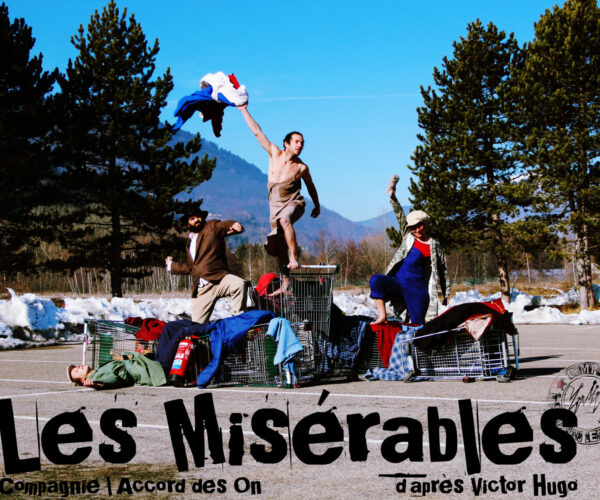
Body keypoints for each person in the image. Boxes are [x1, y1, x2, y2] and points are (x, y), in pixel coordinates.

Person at [237, 103, 320, 269]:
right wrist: (243, 109)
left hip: (294, 203)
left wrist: (317, 205)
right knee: (277, 242)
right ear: (286, 143)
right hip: (274, 205)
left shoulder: (301, 167)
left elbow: (311, 186)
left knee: (284, 220)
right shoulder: (274, 153)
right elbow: (257, 132)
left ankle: (294, 257)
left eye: (302, 143)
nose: (300, 145)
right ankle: (286, 283)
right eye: (296, 142)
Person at [369, 176, 450, 325]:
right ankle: (382, 316)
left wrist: (446, 293)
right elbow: (400, 216)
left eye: (419, 225)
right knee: (376, 281)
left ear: (425, 224)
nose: (417, 230)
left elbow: (442, 270)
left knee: (418, 326)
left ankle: (418, 347)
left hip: (418, 291)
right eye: (413, 227)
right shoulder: (408, 237)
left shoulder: (434, 245)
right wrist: (393, 197)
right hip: (398, 283)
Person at [165, 207, 247, 323]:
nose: (197, 220)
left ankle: (240, 320)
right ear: (188, 224)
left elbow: (222, 226)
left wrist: (233, 224)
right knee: (197, 328)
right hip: (201, 290)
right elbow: (191, 268)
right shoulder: (189, 243)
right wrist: (171, 265)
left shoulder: (211, 227)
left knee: (239, 284)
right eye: (192, 218)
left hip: (219, 279)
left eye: (198, 217)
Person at [67, 352, 167, 389]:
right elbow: (112, 381)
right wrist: (96, 385)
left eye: (76, 366)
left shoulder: (98, 369)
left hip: (146, 361)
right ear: (81, 380)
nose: (78, 367)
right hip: (150, 371)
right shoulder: (96, 377)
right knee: (175, 332)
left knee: (168, 330)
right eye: (76, 371)